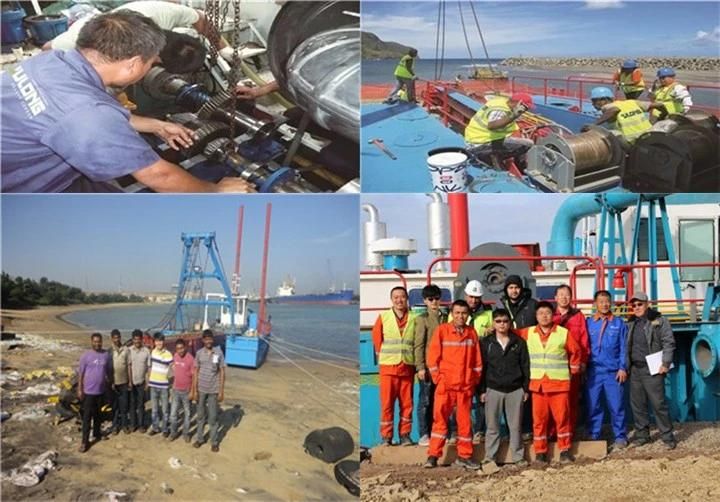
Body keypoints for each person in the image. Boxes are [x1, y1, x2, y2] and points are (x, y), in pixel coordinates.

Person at [1, 11, 254, 193]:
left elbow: (67, 114)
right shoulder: (88, 117)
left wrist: (156, 126)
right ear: (133, 64)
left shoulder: (50, 61)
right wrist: (215, 191)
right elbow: (159, 176)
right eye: (151, 62)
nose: (151, 68)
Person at [44, 0, 218, 72]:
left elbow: (200, 18)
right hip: (86, 16)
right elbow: (47, 50)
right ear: (155, 59)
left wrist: (225, 50)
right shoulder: (88, 40)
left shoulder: (164, 13)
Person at [424, 300, 482, 470]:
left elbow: (477, 362)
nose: (460, 316)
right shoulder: (442, 331)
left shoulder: (472, 333)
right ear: (452, 313)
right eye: (457, 312)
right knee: (439, 422)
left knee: (465, 424)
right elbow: (432, 359)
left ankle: (465, 456)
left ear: (468, 315)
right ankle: (433, 456)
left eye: (464, 313)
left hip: (464, 387)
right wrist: (439, 379)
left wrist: (473, 381)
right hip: (445, 387)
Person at [522, 302, 583, 464]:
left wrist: (574, 370)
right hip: (538, 386)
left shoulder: (563, 333)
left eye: (547, 313)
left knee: (562, 419)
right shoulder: (528, 333)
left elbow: (576, 351)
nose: (544, 316)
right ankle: (540, 452)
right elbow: (509, 333)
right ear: (536, 316)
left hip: (559, 385)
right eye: (541, 313)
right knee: (539, 421)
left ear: (553, 315)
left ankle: (564, 450)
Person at [625, 292, 677, 449]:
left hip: (652, 369)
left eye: (639, 304)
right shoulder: (630, 323)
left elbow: (668, 342)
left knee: (658, 404)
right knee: (638, 405)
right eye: (633, 305)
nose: (636, 307)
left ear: (647, 304)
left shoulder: (659, 321)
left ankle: (668, 437)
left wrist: (666, 363)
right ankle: (642, 435)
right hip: (635, 369)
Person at [480, 309, 530, 468]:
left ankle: (518, 457)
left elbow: (525, 366)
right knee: (492, 426)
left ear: (510, 323)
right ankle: (490, 457)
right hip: (493, 389)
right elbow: (482, 367)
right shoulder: (486, 343)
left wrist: (525, 388)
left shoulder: (519, 342)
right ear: (493, 323)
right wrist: (481, 390)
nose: (502, 324)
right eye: (498, 321)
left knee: (515, 427)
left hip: (515, 390)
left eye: (505, 321)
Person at [371, 286, 416, 446]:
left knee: (407, 405)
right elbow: (376, 338)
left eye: (402, 297)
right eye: (396, 297)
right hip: (388, 368)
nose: (399, 300)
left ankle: (405, 435)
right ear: (391, 300)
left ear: (406, 299)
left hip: (407, 367)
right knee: (387, 404)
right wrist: (383, 354)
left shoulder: (414, 317)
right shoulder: (383, 317)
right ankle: (386, 437)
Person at [449, 280, 492, 441]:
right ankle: (455, 431)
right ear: (466, 295)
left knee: (481, 397)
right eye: (471, 296)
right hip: (460, 363)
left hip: (481, 361)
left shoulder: (489, 313)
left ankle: (480, 431)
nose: (474, 300)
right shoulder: (455, 312)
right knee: (456, 400)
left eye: (477, 297)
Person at [585, 290, 628, 448]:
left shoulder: (619, 323)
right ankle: (594, 434)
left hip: (613, 372)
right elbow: (584, 346)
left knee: (616, 405)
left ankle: (620, 436)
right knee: (593, 404)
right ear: (595, 304)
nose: (604, 304)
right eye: (601, 301)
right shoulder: (588, 323)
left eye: (607, 301)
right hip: (593, 372)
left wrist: (623, 367)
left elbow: (624, 347)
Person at [552, 285, 589, 437]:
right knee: (555, 401)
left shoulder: (578, 316)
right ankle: (553, 432)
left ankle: (570, 431)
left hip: (573, 364)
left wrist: (583, 361)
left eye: (567, 294)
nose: (564, 297)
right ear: (555, 298)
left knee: (572, 399)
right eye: (561, 295)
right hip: (554, 364)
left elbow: (584, 339)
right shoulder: (549, 315)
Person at [413, 284, 447, 446]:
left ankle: (438, 431)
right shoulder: (423, 319)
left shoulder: (446, 318)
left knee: (440, 401)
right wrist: (420, 367)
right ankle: (424, 434)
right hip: (427, 367)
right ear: (425, 301)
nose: (434, 302)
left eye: (436, 298)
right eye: (430, 299)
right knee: (425, 400)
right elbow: (418, 344)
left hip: (444, 367)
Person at [464, 93, 535, 170]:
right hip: (480, 145)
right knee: (527, 144)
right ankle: (491, 157)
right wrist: (514, 115)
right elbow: (492, 126)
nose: (526, 110)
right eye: (525, 107)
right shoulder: (500, 110)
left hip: (476, 139)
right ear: (519, 103)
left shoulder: (500, 102)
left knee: (518, 141)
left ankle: (494, 156)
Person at [581, 87, 660, 145]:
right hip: (649, 135)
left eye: (594, 101)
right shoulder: (631, 102)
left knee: (610, 133)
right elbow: (658, 105)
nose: (593, 104)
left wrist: (594, 125)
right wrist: (657, 118)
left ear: (603, 100)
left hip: (632, 141)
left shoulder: (607, 107)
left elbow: (614, 110)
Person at [77, 333, 112, 452]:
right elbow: (81, 374)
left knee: (98, 416)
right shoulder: (86, 356)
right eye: (95, 341)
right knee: (87, 418)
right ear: (92, 342)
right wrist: (80, 389)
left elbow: (107, 372)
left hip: (100, 391)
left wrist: (109, 385)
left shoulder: (106, 355)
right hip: (88, 392)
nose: (97, 344)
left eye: (99, 341)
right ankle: (84, 442)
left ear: (102, 342)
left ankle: (97, 434)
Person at [193, 329, 226, 452]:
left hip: (213, 390)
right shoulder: (199, 353)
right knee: (200, 416)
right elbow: (195, 371)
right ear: (203, 340)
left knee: (213, 417)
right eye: (206, 339)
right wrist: (194, 390)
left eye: (210, 338)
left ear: (213, 339)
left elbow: (222, 371)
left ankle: (214, 442)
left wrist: (221, 390)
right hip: (201, 389)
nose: (208, 341)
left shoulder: (218, 352)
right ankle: (200, 439)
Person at [147, 332, 173, 437]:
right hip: (153, 385)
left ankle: (165, 428)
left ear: (163, 341)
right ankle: (155, 427)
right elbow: (149, 367)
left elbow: (173, 369)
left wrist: (171, 382)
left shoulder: (168, 354)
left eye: (161, 341)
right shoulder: (152, 352)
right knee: (154, 408)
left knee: (165, 409)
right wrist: (148, 380)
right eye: (157, 341)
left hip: (164, 386)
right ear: (154, 342)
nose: (159, 343)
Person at [169, 338, 195, 442]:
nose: (180, 351)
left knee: (187, 414)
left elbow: (194, 377)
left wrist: (193, 391)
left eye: (182, 348)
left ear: (185, 347)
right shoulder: (175, 356)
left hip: (186, 391)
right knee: (173, 414)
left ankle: (186, 434)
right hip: (175, 390)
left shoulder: (191, 359)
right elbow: (173, 369)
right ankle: (173, 433)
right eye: (178, 349)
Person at [109, 329, 132, 435]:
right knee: (115, 406)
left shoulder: (126, 350)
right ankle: (114, 426)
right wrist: (110, 382)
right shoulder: (109, 351)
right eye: (114, 338)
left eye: (118, 337)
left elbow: (129, 366)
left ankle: (124, 425)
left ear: (120, 338)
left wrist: (130, 381)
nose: (116, 339)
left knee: (124, 406)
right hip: (114, 383)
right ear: (112, 339)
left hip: (124, 382)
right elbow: (108, 368)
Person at [128, 329, 150, 432]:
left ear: (142, 339)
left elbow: (148, 368)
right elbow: (128, 366)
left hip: (141, 382)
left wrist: (147, 382)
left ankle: (141, 425)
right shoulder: (129, 350)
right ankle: (133, 424)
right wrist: (129, 381)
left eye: (139, 339)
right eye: (135, 339)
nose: (137, 341)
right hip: (131, 383)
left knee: (141, 404)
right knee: (132, 404)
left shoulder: (146, 351)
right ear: (132, 340)